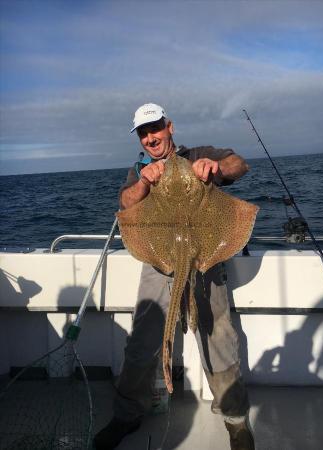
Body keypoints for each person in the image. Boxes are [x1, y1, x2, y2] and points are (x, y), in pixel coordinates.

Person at [94, 103, 255, 450]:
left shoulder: (198, 154)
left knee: (219, 337)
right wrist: (144, 184)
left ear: (170, 127)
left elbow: (238, 164)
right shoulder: (139, 169)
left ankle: (235, 418)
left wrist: (215, 166)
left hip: (205, 257)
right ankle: (126, 415)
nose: (151, 138)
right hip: (159, 260)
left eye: (155, 129)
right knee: (143, 341)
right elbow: (125, 204)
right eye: (143, 133)